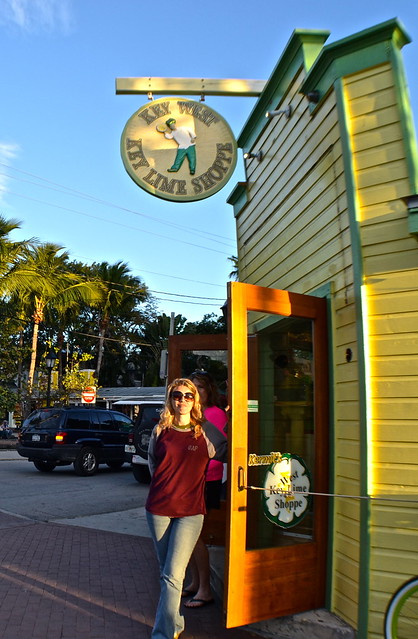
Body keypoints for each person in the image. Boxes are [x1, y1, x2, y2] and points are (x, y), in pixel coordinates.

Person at [145, 377, 227, 639]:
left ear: (196, 400)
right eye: (177, 395)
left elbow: (230, 452)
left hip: (191, 512)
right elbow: (153, 464)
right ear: (170, 400)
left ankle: (163, 634)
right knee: (167, 573)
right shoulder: (160, 430)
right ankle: (175, 623)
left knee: (172, 575)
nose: (182, 400)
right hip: (158, 509)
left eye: (188, 396)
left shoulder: (205, 431)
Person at [183, 370, 228, 609]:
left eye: (200, 387)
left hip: (205, 480)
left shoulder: (215, 414)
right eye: (192, 387)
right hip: (187, 481)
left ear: (208, 390)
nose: (196, 392)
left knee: (195, 535)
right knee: (187, 534)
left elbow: (220, 452)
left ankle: (205, 589)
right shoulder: (190, 414)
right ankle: (195, 582)